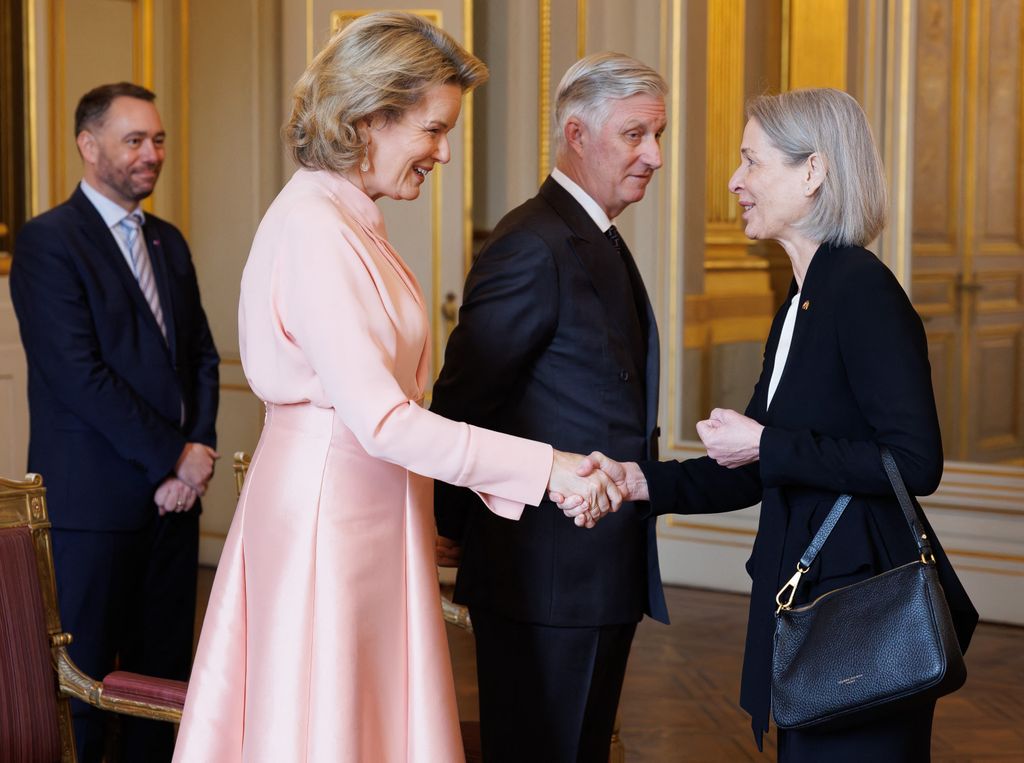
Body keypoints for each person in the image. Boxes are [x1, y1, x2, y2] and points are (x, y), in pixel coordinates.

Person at [171, 13, 619, 763]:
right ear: (369, 117)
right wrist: (547, 469)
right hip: (329, 515)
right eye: (432, 129)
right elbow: (383, 419)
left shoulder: (354, 219)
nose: (443, 152)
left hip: (368, 508)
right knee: (328, 725)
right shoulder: (316, 226)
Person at [568, 88, 979, 761]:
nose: (734, 181)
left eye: (751, 162)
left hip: (862, 621)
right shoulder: (801, 298)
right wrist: (639, 480)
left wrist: (767, 442)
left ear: (813, 172)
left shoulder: (861, 291)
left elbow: (914, 461)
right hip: (816, 616)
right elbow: (755, 464)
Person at [430, 52, 668, 762]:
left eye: (657, 135)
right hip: (545, 578)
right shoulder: (532, 244)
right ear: (576, 133)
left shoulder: (592, 235)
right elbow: (464, 398)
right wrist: (449, 523)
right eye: (635, 135)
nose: (654, 155)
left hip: (592, 569)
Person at [10, 82, 220, 762]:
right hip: (93, 509)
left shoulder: (169, 241)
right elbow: (81, 378)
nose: (152, 153)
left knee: (164, 691)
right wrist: (173, 459)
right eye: (135, 140)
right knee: (87, 694)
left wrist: (201, 448)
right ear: (88, 144)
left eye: (158, 139)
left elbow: (202, 358)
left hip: (174, 507)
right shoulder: (48, 243)